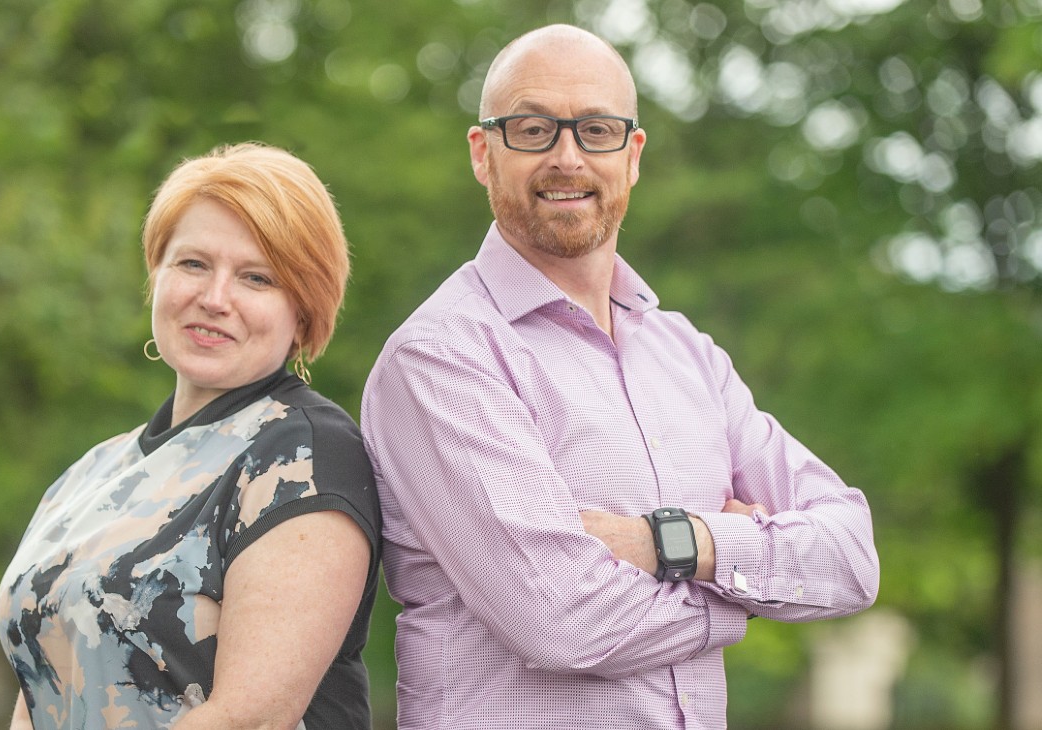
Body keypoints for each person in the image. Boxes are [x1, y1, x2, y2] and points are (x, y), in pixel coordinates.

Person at [360, 24, 879, 729]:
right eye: (534, 128)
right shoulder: (442, 358)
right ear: (483, 153)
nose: (567, 158)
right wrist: (749, 587)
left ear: (632, 156)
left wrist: (680, 544)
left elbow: (851, 557)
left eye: (596, 130)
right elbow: (565, 620)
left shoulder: (687, 354)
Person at [0, 142, 381, 730]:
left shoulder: (303, 454)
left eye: (256, 277)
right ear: (157, 277)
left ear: (303, 312)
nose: (214, 298)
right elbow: (42, 685)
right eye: (193, 264)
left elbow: (248, 719)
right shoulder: (92, 473)